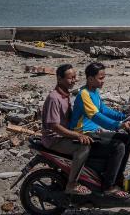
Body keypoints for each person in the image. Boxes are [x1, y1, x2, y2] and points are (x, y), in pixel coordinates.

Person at [69, 62, 130, 198]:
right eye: (101, 78)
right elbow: (96, 116)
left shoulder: (94, 92)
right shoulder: (84, 94)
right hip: (83, 133)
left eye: (104, 77)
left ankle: (117, 177)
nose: (103, 81)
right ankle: (108, 187)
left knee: (127, 139)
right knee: (118, 146)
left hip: (93, 131)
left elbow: (104, 110)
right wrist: (118, 125)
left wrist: (125, 116)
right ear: (90, 79)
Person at [41, 64, 92, 196]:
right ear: (59, 79)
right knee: (83, 148)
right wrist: (76, 135)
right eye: (71, 78)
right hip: (54, 139)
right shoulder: (54, 98)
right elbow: (55, 127)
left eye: (75, 77)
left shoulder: (65, 95)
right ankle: (72, 184)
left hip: (63, 135)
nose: (74, 80)